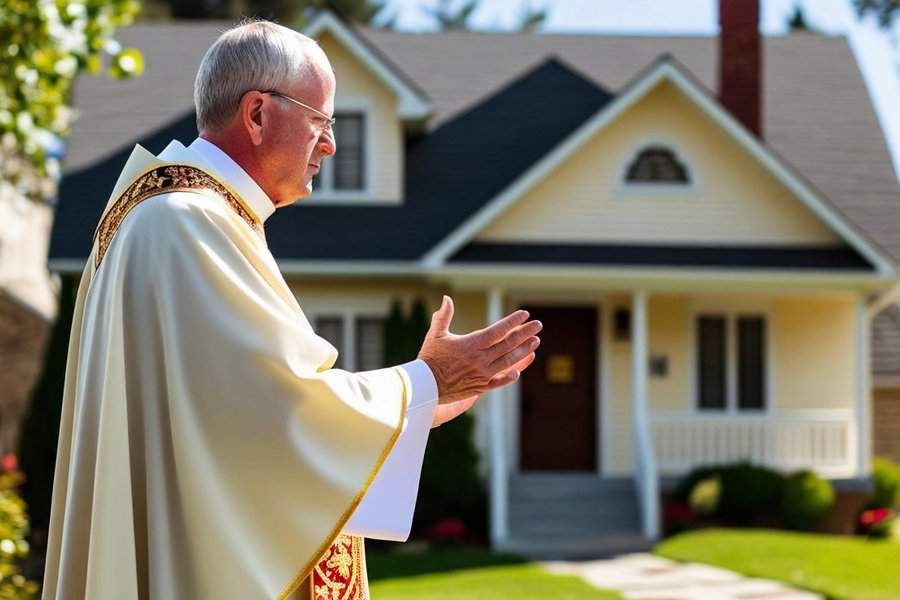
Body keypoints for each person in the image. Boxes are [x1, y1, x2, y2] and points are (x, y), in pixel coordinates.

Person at [41, 18, 541, 600]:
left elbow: (235, 419)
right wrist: (424, 381)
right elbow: (277, 411)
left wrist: (427, 403)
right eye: (321, 121)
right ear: (257, 114)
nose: (330, 143)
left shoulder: (171, 216)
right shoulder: (189, 222)